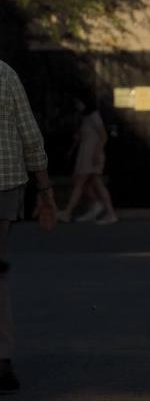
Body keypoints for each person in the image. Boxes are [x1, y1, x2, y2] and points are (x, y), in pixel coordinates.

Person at [0, 59, 57, 392]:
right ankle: (2, 359)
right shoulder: (5, 74)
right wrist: (46, 190)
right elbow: (30, 136)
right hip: (4, 188)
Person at [57, 90, 117, 224]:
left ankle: (68, 212)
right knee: (91, 184)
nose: (78, 105)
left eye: (79, 103)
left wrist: (97, 152)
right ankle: (100, 207)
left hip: (91, 156)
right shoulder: (85, 118)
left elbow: (103, 136)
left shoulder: (94, 116)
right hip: (86, 155)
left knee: (81, 183)